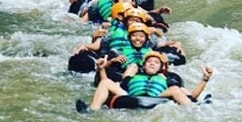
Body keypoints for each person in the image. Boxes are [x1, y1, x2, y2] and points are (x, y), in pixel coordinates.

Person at [76, 50, 214, 112]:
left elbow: (192, 95)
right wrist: (102, 69)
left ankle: (195, 111)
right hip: (132, 97)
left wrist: (205, 79)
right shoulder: (132, 78)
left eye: (156, 62)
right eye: (149, 62)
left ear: (161, 67)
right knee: (105, 82)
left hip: (157, 98)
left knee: (176, 90)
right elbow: (106, 85)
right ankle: (91, 110)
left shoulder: (168, 81)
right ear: (144, 65)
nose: (152, 64)